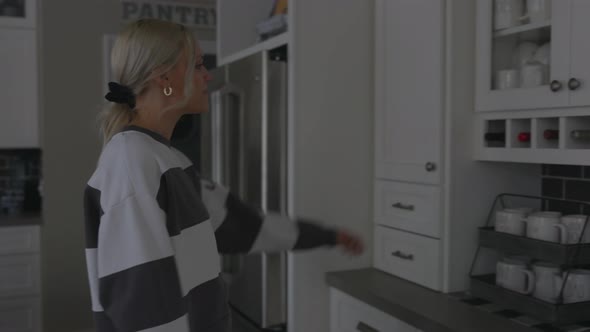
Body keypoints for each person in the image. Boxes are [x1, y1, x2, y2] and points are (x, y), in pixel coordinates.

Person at [83, 19, 364, 332]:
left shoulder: (169, 161)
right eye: (199, 65)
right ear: (165, 78)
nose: (208, 76)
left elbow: (245, 227)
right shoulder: (133, 165)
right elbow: (143, 309)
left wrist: (328, 236)